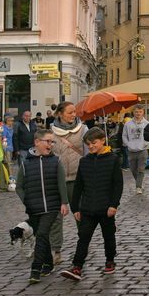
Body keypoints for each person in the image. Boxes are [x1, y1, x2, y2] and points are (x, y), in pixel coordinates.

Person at [60, 127, 123, 281]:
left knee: (108, 236)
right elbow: (79, 186)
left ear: (102, 140)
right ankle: (77, 266)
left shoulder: (113, 159)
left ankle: (110, 260)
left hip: (105, 207)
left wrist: (114, 205)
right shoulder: (84, 161)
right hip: (87, 207)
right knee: (83, 237)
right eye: (88, 144)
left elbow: (117, 185)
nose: (91, 146)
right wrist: (76, 207)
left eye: (94, 143)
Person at [16, 129, 70, 283]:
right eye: (48, 141)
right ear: (37, 142)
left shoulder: (56, 161)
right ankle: (48, 263)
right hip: (34, 208)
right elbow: (19, 186)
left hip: (52, 207)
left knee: (41, 234)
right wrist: (26, 201)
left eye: (52, 142)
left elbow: (61, 183)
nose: (50, 144)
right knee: (43, 235)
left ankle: (35, 269)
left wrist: (64, 202)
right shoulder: (26, 164)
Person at [49, 101, 86, 265]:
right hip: (57, 180)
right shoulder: (50, 132)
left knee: (80, 215)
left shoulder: (83, 130)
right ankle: (55, 250)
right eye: (70, 112)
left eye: (74, 112)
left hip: (78, 179)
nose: (73, 115)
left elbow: (88, 153)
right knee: (56, 217)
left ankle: (83, 245)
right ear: (60, 114)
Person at [122, 106, 149, 194]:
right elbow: (124, 135)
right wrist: (128, 144)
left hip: (143, 150)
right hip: (131, 150)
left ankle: (138, 187)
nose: (138, 113)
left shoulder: (147, 124)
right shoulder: (128, 124)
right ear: (133, 113)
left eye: (140, 112)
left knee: (141, 169)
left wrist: (146, 144)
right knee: (133, 169)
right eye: (136, 112)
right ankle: (140, 183)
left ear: (143, 113)